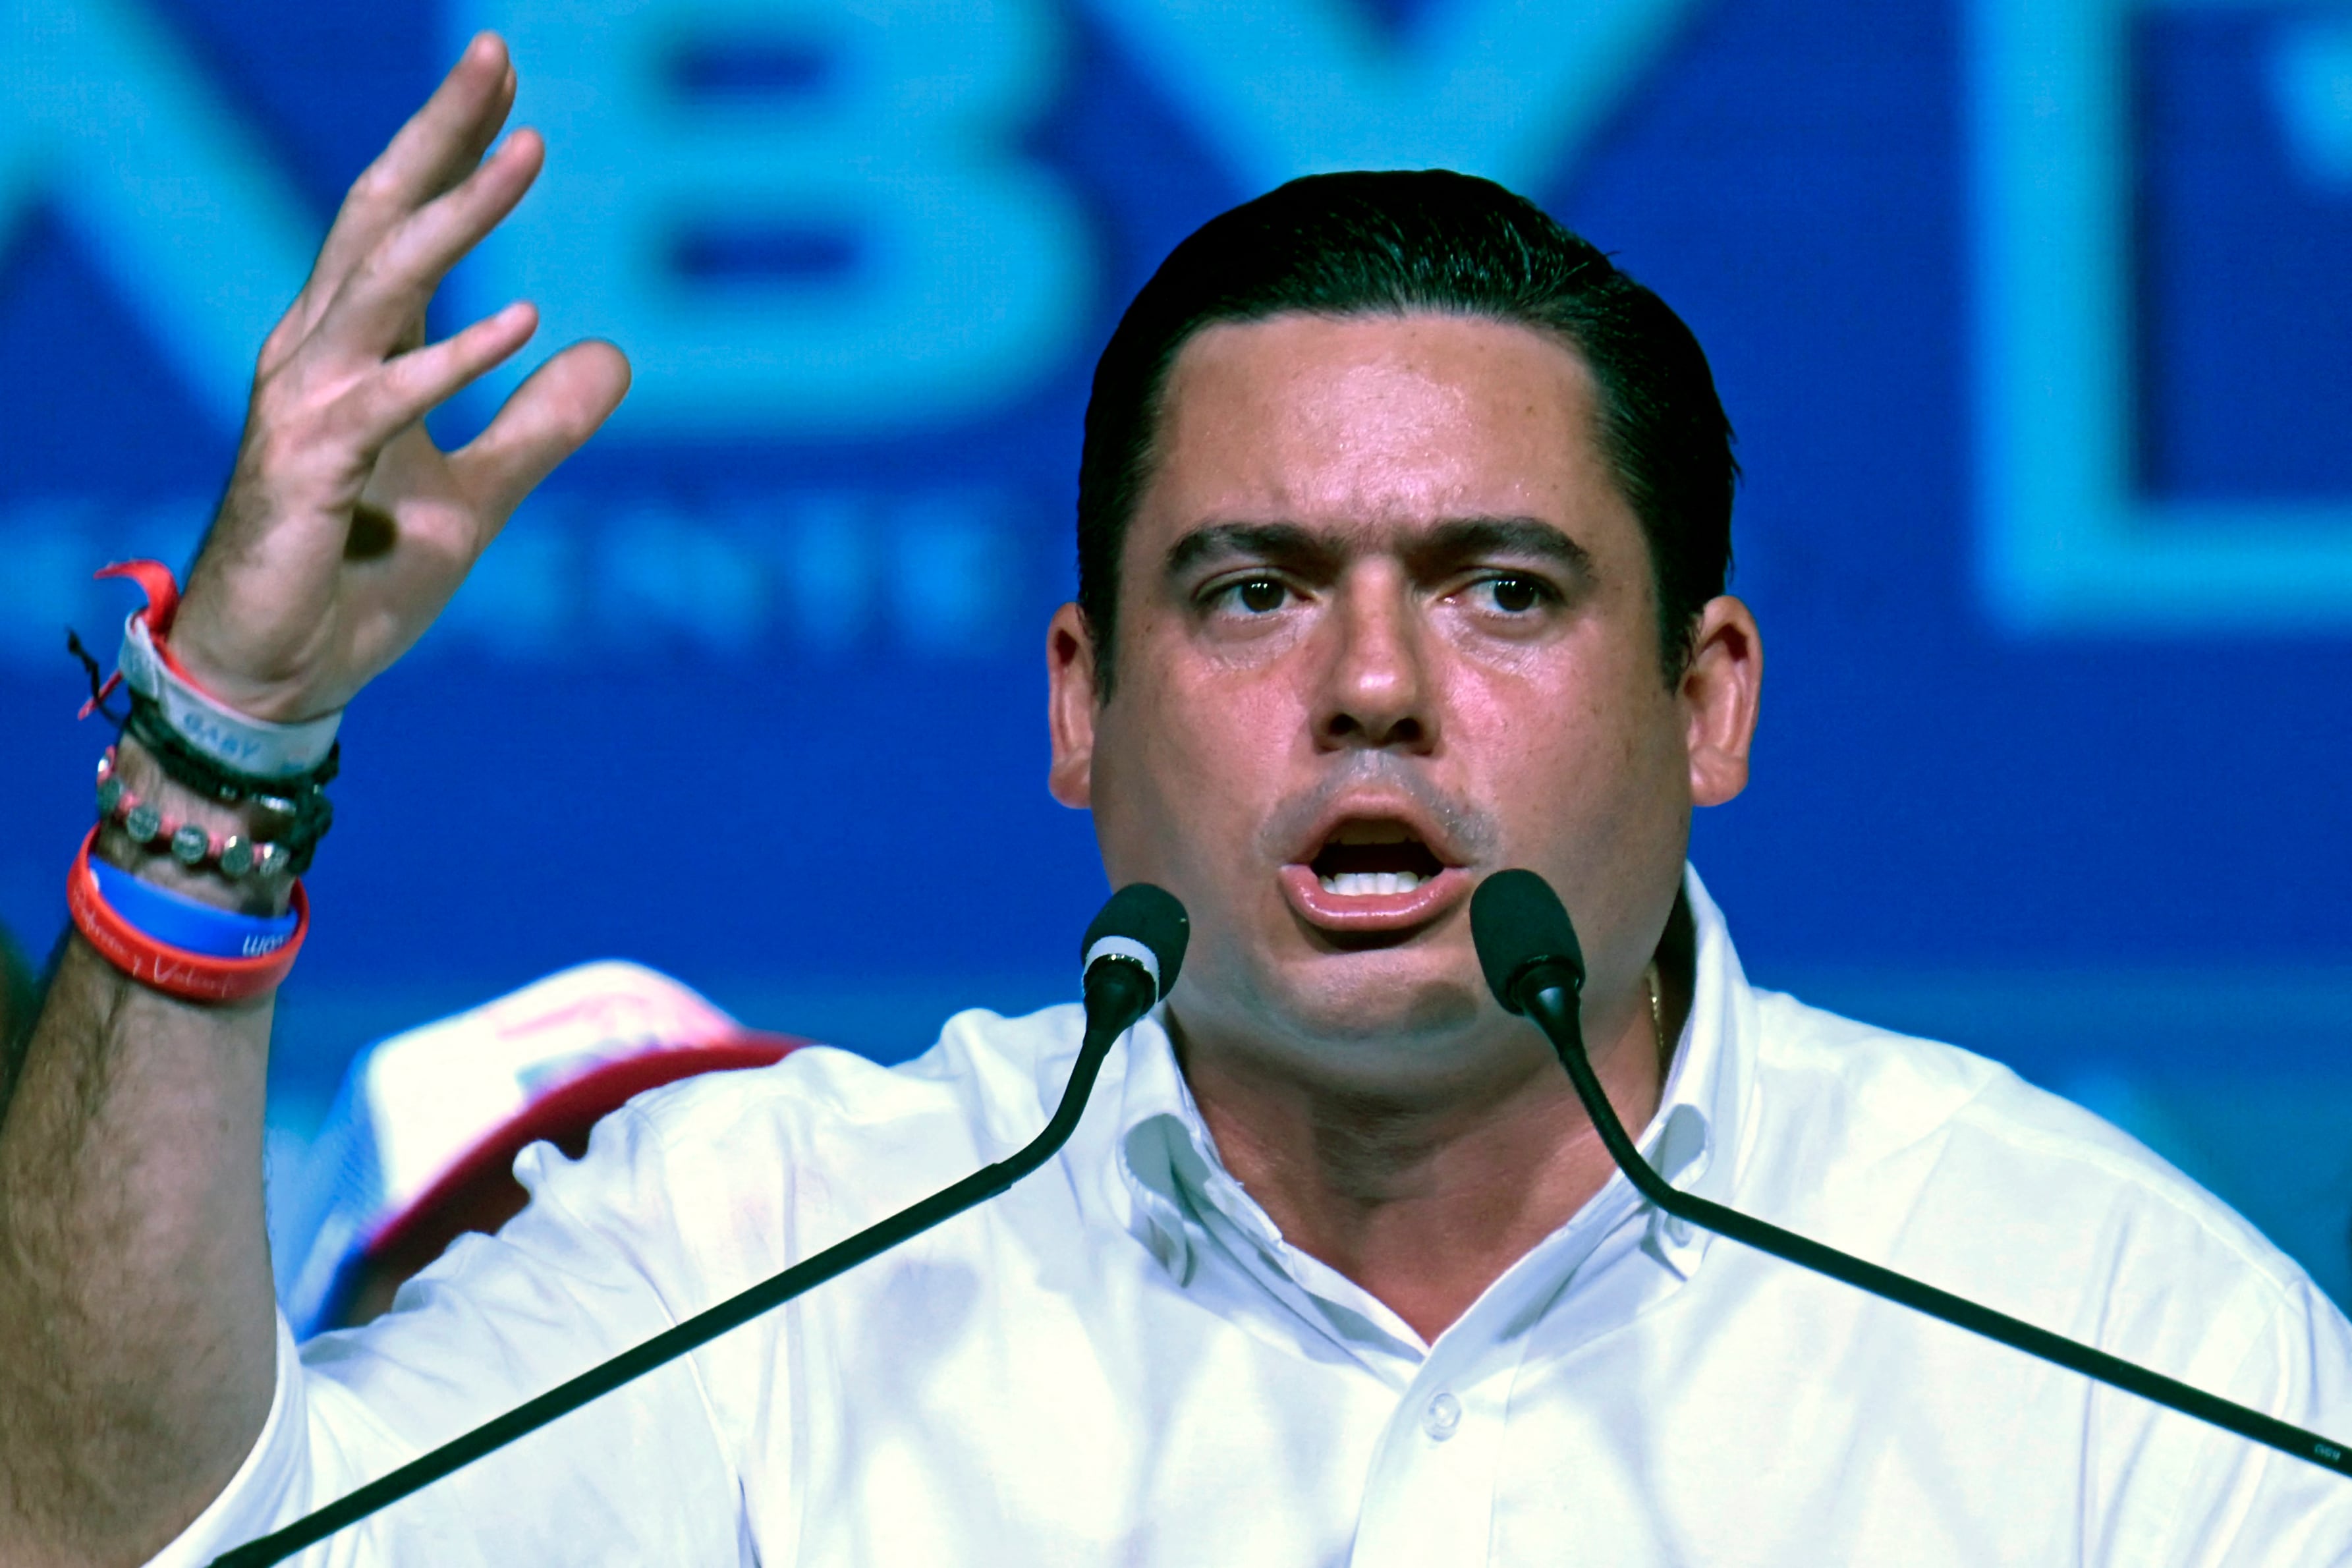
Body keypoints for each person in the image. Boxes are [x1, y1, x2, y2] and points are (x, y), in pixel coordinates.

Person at [1, 33, 2346, 1567]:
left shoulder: (2091, 1324)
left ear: (1708, 701)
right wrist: (232, 731)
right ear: (1078, 713)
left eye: (1502, 590)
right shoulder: (766, 1265)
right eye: (1246, 593)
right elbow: (142, 1548)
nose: (1369, 688)